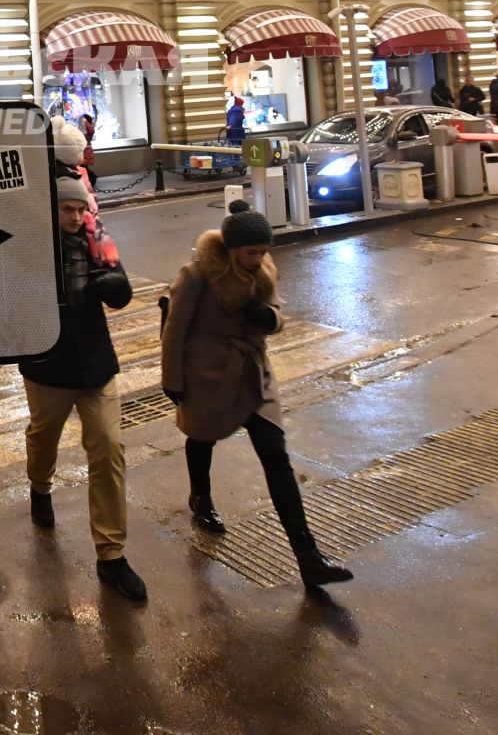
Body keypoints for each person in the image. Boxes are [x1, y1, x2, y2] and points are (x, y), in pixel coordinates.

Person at [161, 202, 354, 588]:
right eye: (251, 252)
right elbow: (174, 329)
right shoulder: (197, 275)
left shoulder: (264, 269)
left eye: (263, 251)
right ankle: (201, 498)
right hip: (209, 374)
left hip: (253, 375)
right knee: (201, 438)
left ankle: (308, 557)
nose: (259, 259)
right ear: (231, 248)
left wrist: (270, 320)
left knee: (276, 457)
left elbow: (277, 310)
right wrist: (173, 380)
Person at [21, 173, 145, 602]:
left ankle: (111, 555)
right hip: (48, 364)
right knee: (43, 437)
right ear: (51, 210)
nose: (76, 217)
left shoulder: (98, 239)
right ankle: (39, 486)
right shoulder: (30, 244)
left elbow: (120, 285)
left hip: (95, 364)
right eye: (66, 209)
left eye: (80, 209)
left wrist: (117, 287)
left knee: (109, 448)